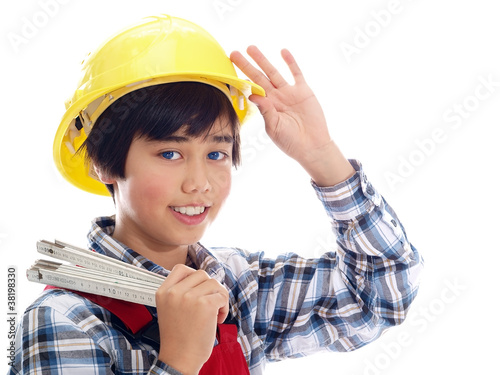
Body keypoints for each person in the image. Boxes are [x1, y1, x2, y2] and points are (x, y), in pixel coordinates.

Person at [8, 14, 423, 375]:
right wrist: (179, 360)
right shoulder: (62, 320)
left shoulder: (237, 285)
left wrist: (322, 157)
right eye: (169, 153)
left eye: (216, 153)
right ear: (103, 162)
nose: (199, 183)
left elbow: (382, 294)